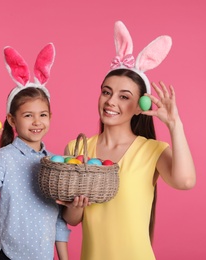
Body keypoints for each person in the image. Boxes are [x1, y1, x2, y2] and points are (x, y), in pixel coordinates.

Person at [57, 21, 196, 260]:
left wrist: (175, 125)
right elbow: (72, 219)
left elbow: (185, 181)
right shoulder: (78, 149)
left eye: (124, 97)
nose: (111, 102)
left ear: (139, 106)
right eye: (107, 92)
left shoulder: (152, 151)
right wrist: (76, 206)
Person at [0, 43, 71, 260]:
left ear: (50, 117)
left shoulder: (54, 163)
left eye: (43, 115)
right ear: (11, 119)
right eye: (28, 115)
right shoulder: (6, 157)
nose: (37, 122)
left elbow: (59, 219)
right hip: (10, 255)